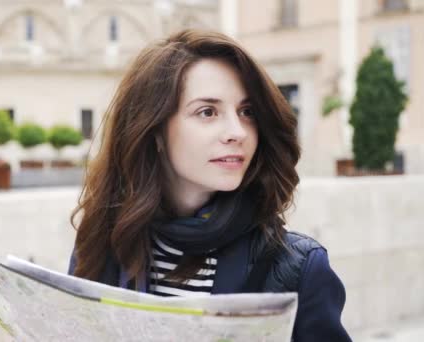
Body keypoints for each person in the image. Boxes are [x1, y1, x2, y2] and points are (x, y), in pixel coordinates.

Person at [67, 29, 352, 341]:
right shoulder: (101, 243)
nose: (237, 132)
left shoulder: (301, 269)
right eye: (207, 112)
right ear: (156, 131)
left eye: (247, 112)